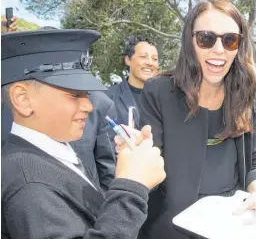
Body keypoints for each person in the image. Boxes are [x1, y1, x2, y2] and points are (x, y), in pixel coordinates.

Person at [1, 29, 166, 238]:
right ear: (23, 99)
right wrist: (131, 188)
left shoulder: (51, 151)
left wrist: (128, 171)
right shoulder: (28, 184)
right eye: (74, 94)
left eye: (87, 94)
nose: (88, 106)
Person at [137, 0, 256, 239]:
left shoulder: (251, 94)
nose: (219, 50)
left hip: (229, 226)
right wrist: (135, 156)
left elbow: (254, 161)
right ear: (190, 41)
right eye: (206, 38)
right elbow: (149, 169)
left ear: (240, 46)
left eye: (230, 40)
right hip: (169, 228)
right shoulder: (158, 93)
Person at [106, 35, 159, 127]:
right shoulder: (107, 98)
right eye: (143, 56)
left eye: (154, 59)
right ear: (128, 60)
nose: (150, 63)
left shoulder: (165, 99)